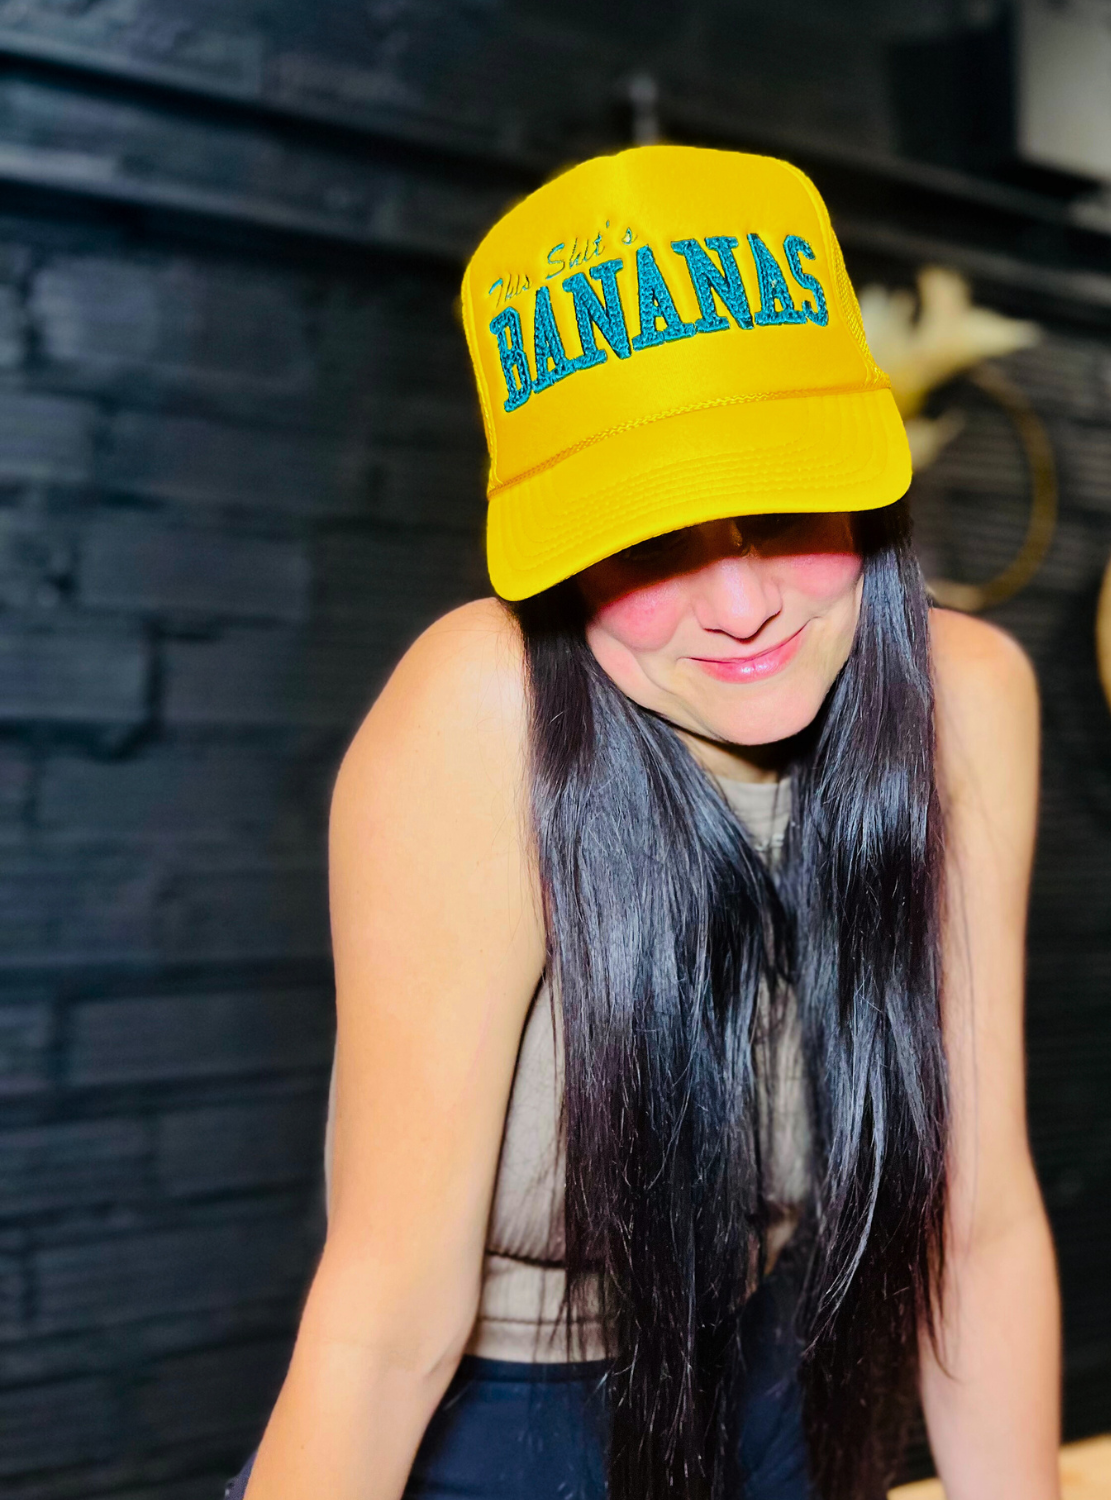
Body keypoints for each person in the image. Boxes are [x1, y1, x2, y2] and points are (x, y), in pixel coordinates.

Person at [229, 143, 1059, 1500]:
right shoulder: (485, 714)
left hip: (775, 1395)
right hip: (492, 1432)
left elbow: (980, 1227)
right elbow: (382, 1329)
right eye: (646, 536)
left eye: (781, 502)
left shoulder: (966, 702)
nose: (740, 605)